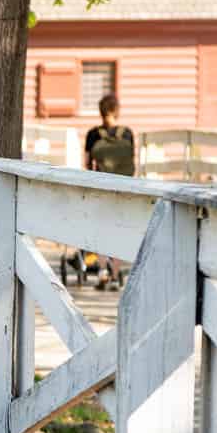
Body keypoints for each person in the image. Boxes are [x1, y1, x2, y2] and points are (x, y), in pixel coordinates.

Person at [84, 92, 136, 289]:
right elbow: (132, 163)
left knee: (100, 227)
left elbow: (88, 164)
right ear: (117, 111)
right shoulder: (128, 133)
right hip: (122, 187)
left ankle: (102, 270)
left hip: (101, 186)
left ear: (101, 112)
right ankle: (115, 275)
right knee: (118, 228)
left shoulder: (93, 134)